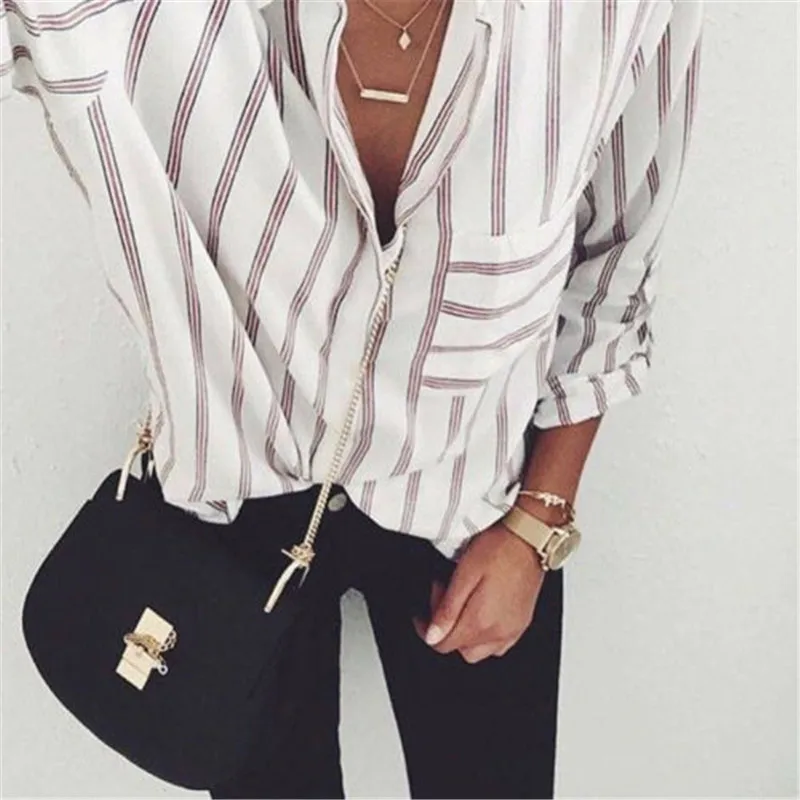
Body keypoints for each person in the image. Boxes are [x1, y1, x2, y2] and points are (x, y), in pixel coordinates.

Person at [1, 0, 703, 797]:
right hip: (234, 503)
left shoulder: (604, 16)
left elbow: (614, 266)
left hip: (474, 505)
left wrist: (539, 522)